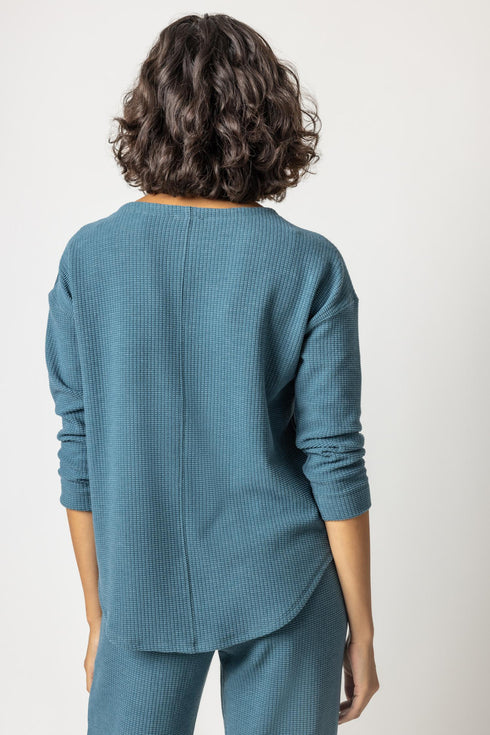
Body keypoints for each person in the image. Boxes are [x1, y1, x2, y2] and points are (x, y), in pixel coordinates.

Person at [45, 12, 379, 735]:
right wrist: (363, 628)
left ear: (150, 115)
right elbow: (333, 454)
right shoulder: (309, 263)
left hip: (138, 585)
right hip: (286, 581)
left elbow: (80, 449)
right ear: (269, 119)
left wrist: (99, 617)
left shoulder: (87, 259)